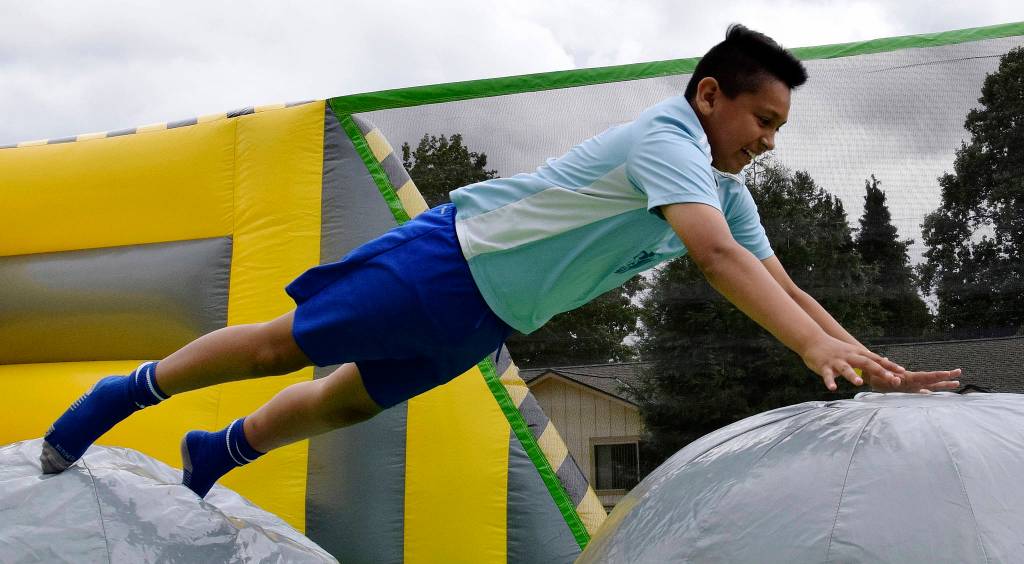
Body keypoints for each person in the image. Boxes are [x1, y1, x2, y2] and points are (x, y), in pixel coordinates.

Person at [40, 24, 961, 498]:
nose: (767, 141)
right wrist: (809, 351)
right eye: (762, 120)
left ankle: (218, 451)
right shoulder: (668, 140)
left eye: (778, 130)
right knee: (283, 348)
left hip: (488, 314)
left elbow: (782, 284)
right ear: (711, 95)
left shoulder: (723, 185)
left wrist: (873, 368)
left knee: (346, 399)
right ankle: (125, 393)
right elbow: (719, 262)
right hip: (447, 262)